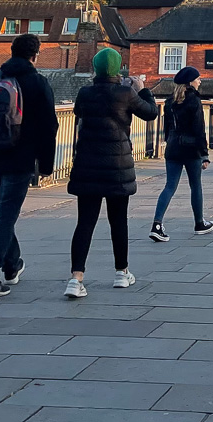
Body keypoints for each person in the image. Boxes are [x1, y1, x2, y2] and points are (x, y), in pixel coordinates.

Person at [0, 32, 59, 299]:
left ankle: (12, 264)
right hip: (21, 159)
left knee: (2, 216)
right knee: (5, 218)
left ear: (12, 52)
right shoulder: (38, 83)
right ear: (35, 55)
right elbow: (50, 126)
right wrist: (46, 165)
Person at [64, 46, 159, 298]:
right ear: (118, 69)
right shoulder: (126, 93)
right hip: (117, 167)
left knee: (85, 222)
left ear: (96, 68)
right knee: (118, 221)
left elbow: (78, 113)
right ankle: (121, 273)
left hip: (88, 165)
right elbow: (151, 113)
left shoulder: (85, 93)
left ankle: (76, 278)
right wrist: (141, 88)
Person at [150, 67, 213, 241]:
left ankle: (157, 224)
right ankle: (199, 223)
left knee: (169, 186)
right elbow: (199, 129)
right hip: (191, 149)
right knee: (196, 185)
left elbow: (167, 128)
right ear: (190, 82)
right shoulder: (194, 100)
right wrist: (204, 154)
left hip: (173, 148)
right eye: (198, 79)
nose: (200, 81)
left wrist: (169, 142)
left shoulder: (169, 102)